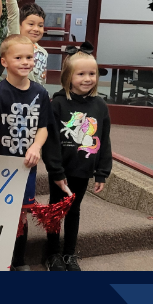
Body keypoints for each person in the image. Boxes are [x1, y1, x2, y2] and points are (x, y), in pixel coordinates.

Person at [43, 43, 111, 271]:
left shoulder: (100, 106)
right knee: (55, 210)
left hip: (83, 170)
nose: (87, 78)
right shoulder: (58, 104)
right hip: (60, 172)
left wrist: (102, 172)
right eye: (80, 74)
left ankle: (69, 254)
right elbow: (50, 142)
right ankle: (52, 253)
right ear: (68, 77)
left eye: (92, 73)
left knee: (74, 210)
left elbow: (104, 140)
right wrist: (55, 171)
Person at [0, 35, 53, 271]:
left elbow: (43, 127)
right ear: (4, 61)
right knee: (0, 213)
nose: (25, 61)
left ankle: (18, 261)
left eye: (29, 57)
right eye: (18, 57)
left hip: (25, 167)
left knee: (21, 216)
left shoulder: (41, 93)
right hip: (0, 167)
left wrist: (37, 146)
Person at [2, 0, 48, 84]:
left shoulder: (43, 52)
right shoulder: (16, 41)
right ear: (19, 26)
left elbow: (42, 79)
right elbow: (13, 13)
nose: (36, 29)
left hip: (37, 95)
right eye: (31, 24)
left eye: (40, 25)